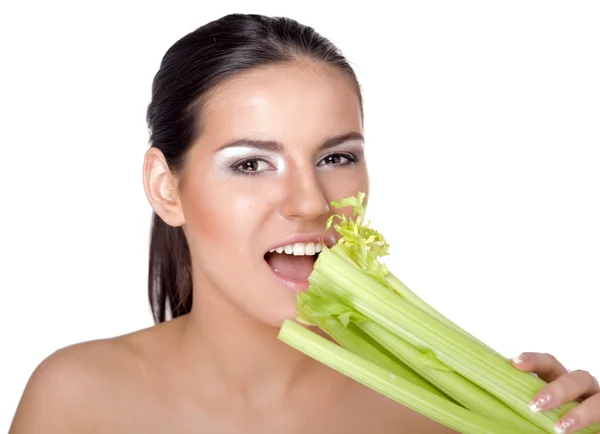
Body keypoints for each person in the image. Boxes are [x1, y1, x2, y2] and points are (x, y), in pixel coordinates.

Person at [9, 13, 600, 434]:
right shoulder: (78, 400)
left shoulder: (448, 412)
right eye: (251, 163)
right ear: (167, 189)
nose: (311, 201)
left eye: (336, 157)